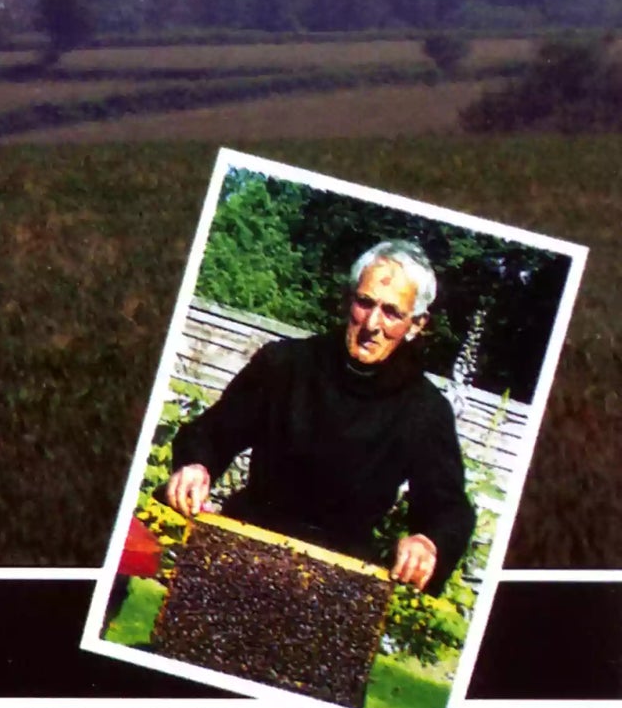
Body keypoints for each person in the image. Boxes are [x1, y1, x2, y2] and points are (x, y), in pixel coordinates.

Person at [164, 239, 475, 592]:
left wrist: (429, 543)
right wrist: (197, 465)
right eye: (365, 302)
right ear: (348, 300)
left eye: (391, 313)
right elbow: (211, 434)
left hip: (340, 580)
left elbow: (447, 508)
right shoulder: (285, 364)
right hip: (243, 549)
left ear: (416, 325)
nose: (372, 323)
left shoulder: (424, 410)